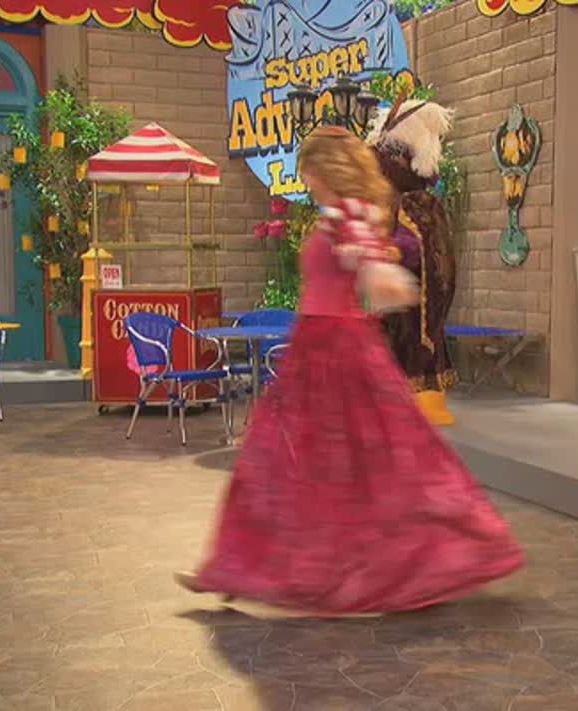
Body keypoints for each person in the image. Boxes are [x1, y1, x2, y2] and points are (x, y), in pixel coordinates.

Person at [175, 127, 523, 617]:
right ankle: (239, 567)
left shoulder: (348, 214)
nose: (306, 182)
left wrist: (386, 279)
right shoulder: (339, 214)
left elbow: (376, 274)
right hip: (316, 347)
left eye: (308, 173)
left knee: (359, 463)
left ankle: (398, 564)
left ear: (325, 170)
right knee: (278, 460)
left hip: (337, 349)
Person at [368, 96, 459, 426]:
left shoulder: (417, 205)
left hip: (412, 310)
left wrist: (393, 253)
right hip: (393, 306)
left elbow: (425, 249)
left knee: (409, 352)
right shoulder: (395, 204)